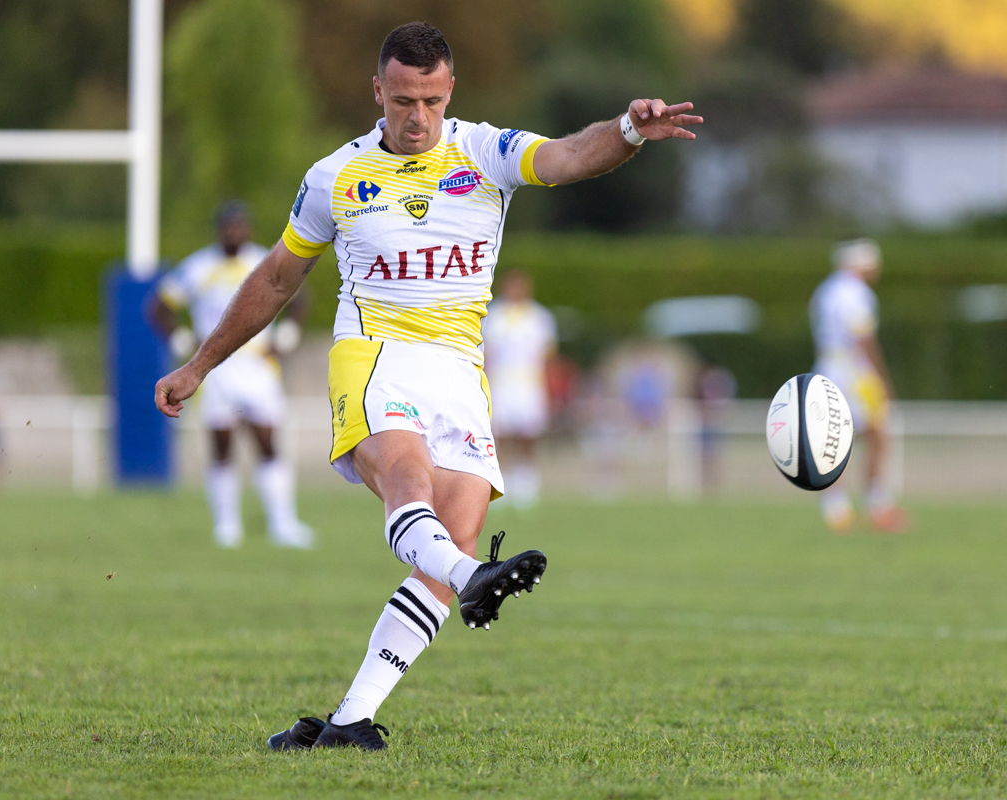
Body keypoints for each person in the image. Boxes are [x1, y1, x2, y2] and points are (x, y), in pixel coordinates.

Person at [154, 22, 701, 751]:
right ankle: (475, 576)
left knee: (452, 536)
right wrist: (199, 364)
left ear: (450, 93)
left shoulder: (484, 151)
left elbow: (570, 157)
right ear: (377, 90)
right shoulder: (335, 178)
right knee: (409, 481)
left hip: (458, 369)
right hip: (375, 352)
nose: (418, 117)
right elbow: (279, 277)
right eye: (404, 100)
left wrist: (629, 130)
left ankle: (350, 719)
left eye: (432, 101)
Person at [150, 201, 314, 549]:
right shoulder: (199, 266)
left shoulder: (263, 259)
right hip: (217, 370)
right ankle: (227, 526)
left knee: (268, 442)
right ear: (219, 230)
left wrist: (285, 340)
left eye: (240, 225)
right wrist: (183, 342)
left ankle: (283, 523)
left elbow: (299, 298)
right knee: (221, 445)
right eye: (228, 226)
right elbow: (159, 308)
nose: (234, 232)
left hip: (257, 366)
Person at [809, 238, 907, 534]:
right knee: (878, 434)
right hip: (854, 371)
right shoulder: (857, 294)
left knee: (834, 441)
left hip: (827, 366)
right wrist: (880, 376)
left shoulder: (825, 290)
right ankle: (878, 505)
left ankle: (836, 509)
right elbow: (862, 337)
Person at [482, 270, 557, 509]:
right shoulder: (494, 316)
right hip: (501, 383)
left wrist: (548, 387)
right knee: (499, 436)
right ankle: (498, 485)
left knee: (528, 435)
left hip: (528, 384)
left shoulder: (539, 317)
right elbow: (487, 353)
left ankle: (525, 485)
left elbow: (547, 355)